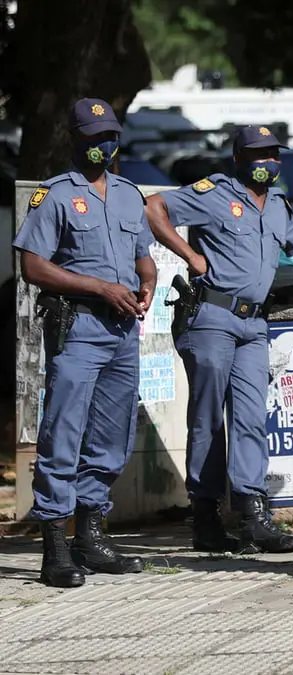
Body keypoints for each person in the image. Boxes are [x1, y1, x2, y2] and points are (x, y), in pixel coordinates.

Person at [145, 125, 293, 555]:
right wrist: (190, 256)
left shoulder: (277, 203)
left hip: (254, 324)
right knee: (208, 418)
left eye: (273, 154)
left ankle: (253, 513)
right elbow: (153, 207)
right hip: (211, 316)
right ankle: (205, 514)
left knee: (252, 416)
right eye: (258, 155)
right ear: (239, 158)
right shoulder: (214, 191)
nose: (267, 162)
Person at [14, 98, 156, 588]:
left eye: (110, 136)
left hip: (122, 332)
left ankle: (91, 538)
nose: (104, 145)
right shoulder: (52, 195)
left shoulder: (128, 195)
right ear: (75, 138)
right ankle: (54, 547)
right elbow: (33, 265)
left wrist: (147, 283)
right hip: (78, 329)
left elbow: (145, 257)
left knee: (111, 440)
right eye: (94, 137)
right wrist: (99, 287)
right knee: (63, 435)